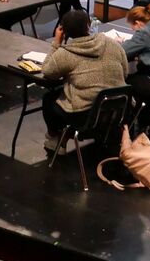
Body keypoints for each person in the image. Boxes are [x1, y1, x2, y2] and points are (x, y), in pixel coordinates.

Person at [39, 8, 127, 153]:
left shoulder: (65, 53)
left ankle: (55, 139)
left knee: (49, 99)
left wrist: (56, 43)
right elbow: (125, 72)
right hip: (119, 110)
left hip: (85, 116)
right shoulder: (111, 43)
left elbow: (48, 71)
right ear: (88, 25)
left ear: (64, 31)